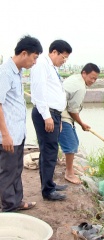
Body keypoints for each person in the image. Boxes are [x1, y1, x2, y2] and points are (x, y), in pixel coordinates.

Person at [0, 35, 43, 212]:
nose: (34, 62)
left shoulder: (17, 72)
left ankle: (16, 201)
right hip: (8, 134)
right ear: (24, 53)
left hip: (17, 133)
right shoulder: (4, 72)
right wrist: (5, 135)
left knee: (16, 169)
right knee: (8, 171)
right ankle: (9, 207)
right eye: (34, 57)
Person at [31, 40, 72, 201]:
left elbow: (53, 94)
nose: (64, 61)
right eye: (63, 57)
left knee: (50, 150)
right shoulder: (41, 65)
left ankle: (49, 184)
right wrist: (47, 116)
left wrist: (58, 117)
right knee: (49, 150)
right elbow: (38, 92)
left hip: (53, 114)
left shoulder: (52, 68)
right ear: (54, 52)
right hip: (45, 114)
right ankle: (47, 190)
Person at [59, 63, 100, 184]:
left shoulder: (75, 78)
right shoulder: (80, 87)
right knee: (71, 144)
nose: (93, 81)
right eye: (91, 77)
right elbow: (72, 110)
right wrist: (82, 124)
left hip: (62, 111)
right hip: (61, 114)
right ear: (84, 73)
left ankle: (69, 169)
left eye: (95, 79)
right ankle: (69, 173)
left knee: (74, 142)